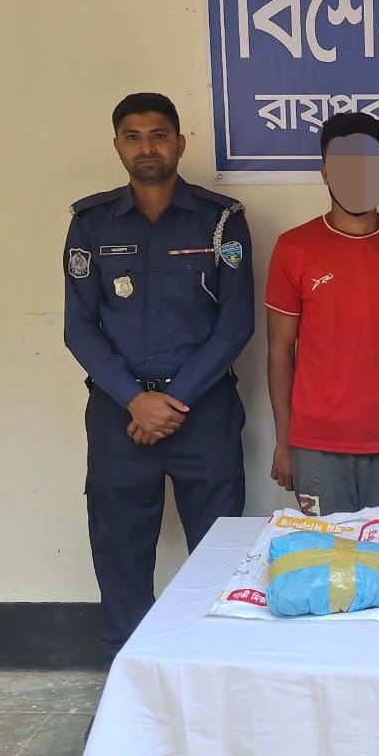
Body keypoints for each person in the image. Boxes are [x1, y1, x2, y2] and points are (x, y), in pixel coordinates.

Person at [64, 92, 252, 663]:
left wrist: (172, 401)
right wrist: (135, 400)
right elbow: (79, 329)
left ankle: (214, 665)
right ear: (118, 145)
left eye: (159, 135)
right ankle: (129, 673)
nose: (147, 147)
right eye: (133, 137)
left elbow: (234, 325)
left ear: (180, 143)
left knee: (220, 550)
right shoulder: (91, 224)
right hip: (119, 416)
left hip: (203, 413)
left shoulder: (222, 220)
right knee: (119, 551)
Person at [264, 111, 379, 516]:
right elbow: (280, 350)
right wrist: (284, 441)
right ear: (325, 173)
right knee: (327, 553)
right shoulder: (293, 248)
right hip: (316, 447)